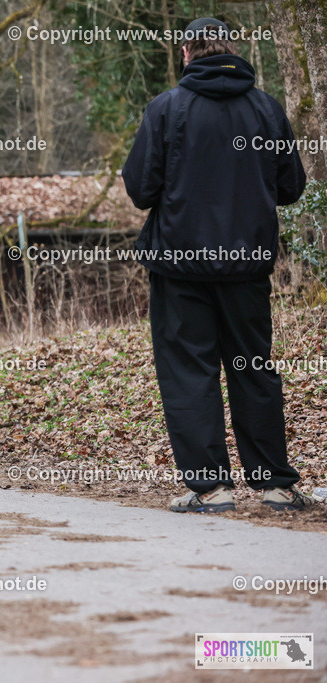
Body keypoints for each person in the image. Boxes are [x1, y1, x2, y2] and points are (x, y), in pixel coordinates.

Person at [123, 18, 323, 513]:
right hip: (247, 268)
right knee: (253, 369)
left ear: (187, 53)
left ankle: (212, 489)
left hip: (180, 267)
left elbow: (140, 189)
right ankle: (275, 485)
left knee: (189, 371)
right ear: (232, 50)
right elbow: (292, 187)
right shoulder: (266, 108)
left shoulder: (166, 109)